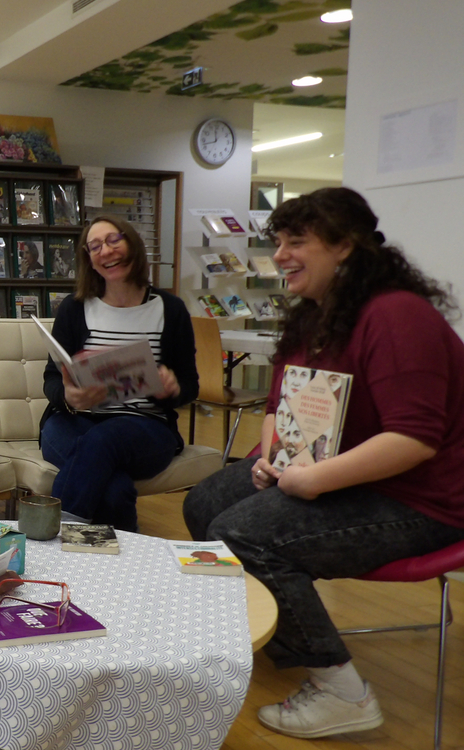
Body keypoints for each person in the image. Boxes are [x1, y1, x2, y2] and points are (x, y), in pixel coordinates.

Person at [183, 187, 464, 740]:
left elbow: (414, 438)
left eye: (297, 241)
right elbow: (278, 408)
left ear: (345, 246)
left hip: (425, 499)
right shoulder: (314, 317)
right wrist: (270, 458)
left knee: (243, 533)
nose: (281, 255)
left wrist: (310, 479)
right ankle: (273, 630)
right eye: (279, 241)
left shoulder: (396, 315)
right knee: (204, 503)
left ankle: (341, 692)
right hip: (340, 471)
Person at [39, 215, 197, 531]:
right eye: (94, 246)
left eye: (114, 240)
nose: (106, 251)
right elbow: (51, 379)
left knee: (104, 440)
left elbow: (190, 385)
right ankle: (122, 568)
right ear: (89, 260)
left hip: (146, 427)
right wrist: (69, 396)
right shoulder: (75, 307)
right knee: (114, 489)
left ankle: (58, 537)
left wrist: (171, 387)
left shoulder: (170, 309)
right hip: (73, 421)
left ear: (132, 244)